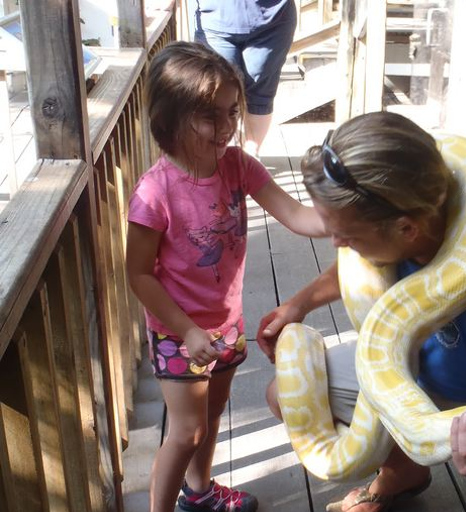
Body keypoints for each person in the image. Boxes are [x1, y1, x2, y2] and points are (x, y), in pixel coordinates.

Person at [256, 111, 466, 512]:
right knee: (286, 392)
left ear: (407, 229)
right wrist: (298, 304)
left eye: (349, 235)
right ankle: (403, 471)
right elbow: (359, 263)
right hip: (423, 365)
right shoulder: (402, 224)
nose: (337, 243)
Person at [126, 41, 326, 512]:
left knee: (212, 416)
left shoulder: (238, 167)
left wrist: (344, 220)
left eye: (232, 111)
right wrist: (187, 330)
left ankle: (198, 495)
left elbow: (297, 216)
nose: (228, 125)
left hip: (226, 323)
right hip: (180, 332)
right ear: (172, 118)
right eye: (211, 116)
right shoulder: (155, 193)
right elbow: (138, 275)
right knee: (186, 430)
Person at [192, 0, 298, 156]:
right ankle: (220, 160)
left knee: (260, 96)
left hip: (273, 21)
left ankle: (249, 158)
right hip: (214, 21)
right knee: (215, 95)